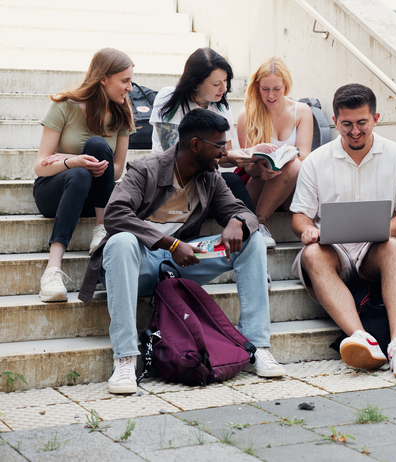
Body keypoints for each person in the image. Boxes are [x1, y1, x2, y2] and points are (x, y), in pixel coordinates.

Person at [78, 109, 285, 394]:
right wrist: (170, 244)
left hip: (182, 262)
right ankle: (125, 358)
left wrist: (238, 221)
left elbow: (239, 210)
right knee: (121, 241)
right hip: (139, 262)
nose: (225, 152)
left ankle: (257, 346)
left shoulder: (210, 177)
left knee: (253, 240)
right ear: (196, 145)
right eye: (220, 146)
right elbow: (115, 214)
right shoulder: (146, 168)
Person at [290, 83, 396, 378]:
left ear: (376, 119)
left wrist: (377, 229)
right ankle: (363, 339)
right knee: (312, 254)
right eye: (346, 124)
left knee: (392, 245)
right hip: (332, 251)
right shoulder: (315, 161)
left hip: (374, 251)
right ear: (335, 121)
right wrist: (308, 230)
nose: (354, 131)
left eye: (362, 123)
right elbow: (299, 215)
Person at [33, 48, 134, 303]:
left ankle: (101, 227)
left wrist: (81, 162)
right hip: (54, 192)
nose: (130, 88)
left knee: (98, 146)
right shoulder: (64, 106)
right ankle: (52, 271)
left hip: (95, 198)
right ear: (103, 79)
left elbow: (118, 169)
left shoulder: (122, 113)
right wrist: (71, 162)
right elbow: (40, 167)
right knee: (79, 174)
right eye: (125, 80)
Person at [149, 48, 270, 214]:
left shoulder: (221, 106)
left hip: (208, 180)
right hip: (173, 182)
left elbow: (224, 154)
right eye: (216, 84)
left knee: (232, 181)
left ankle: (254, 229)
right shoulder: (169, 98)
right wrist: (228, 156)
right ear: (195, 83)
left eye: (226, 81)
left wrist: (247, 153)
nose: (223, 88)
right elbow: (175, 155)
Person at [236, 57, 313, 248]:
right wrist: (259, 169)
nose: (271, 95)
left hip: (291, 188)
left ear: (286, 86)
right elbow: (246, 166)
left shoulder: (302, 111)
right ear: (257, 87)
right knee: (264, 173)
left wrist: (288, 153)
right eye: (265, 89)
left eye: (276, 89)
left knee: (294, 163)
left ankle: (258, 224)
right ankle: (257, 227)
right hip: (259, 182)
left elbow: (304, 155)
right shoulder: (246, 115)